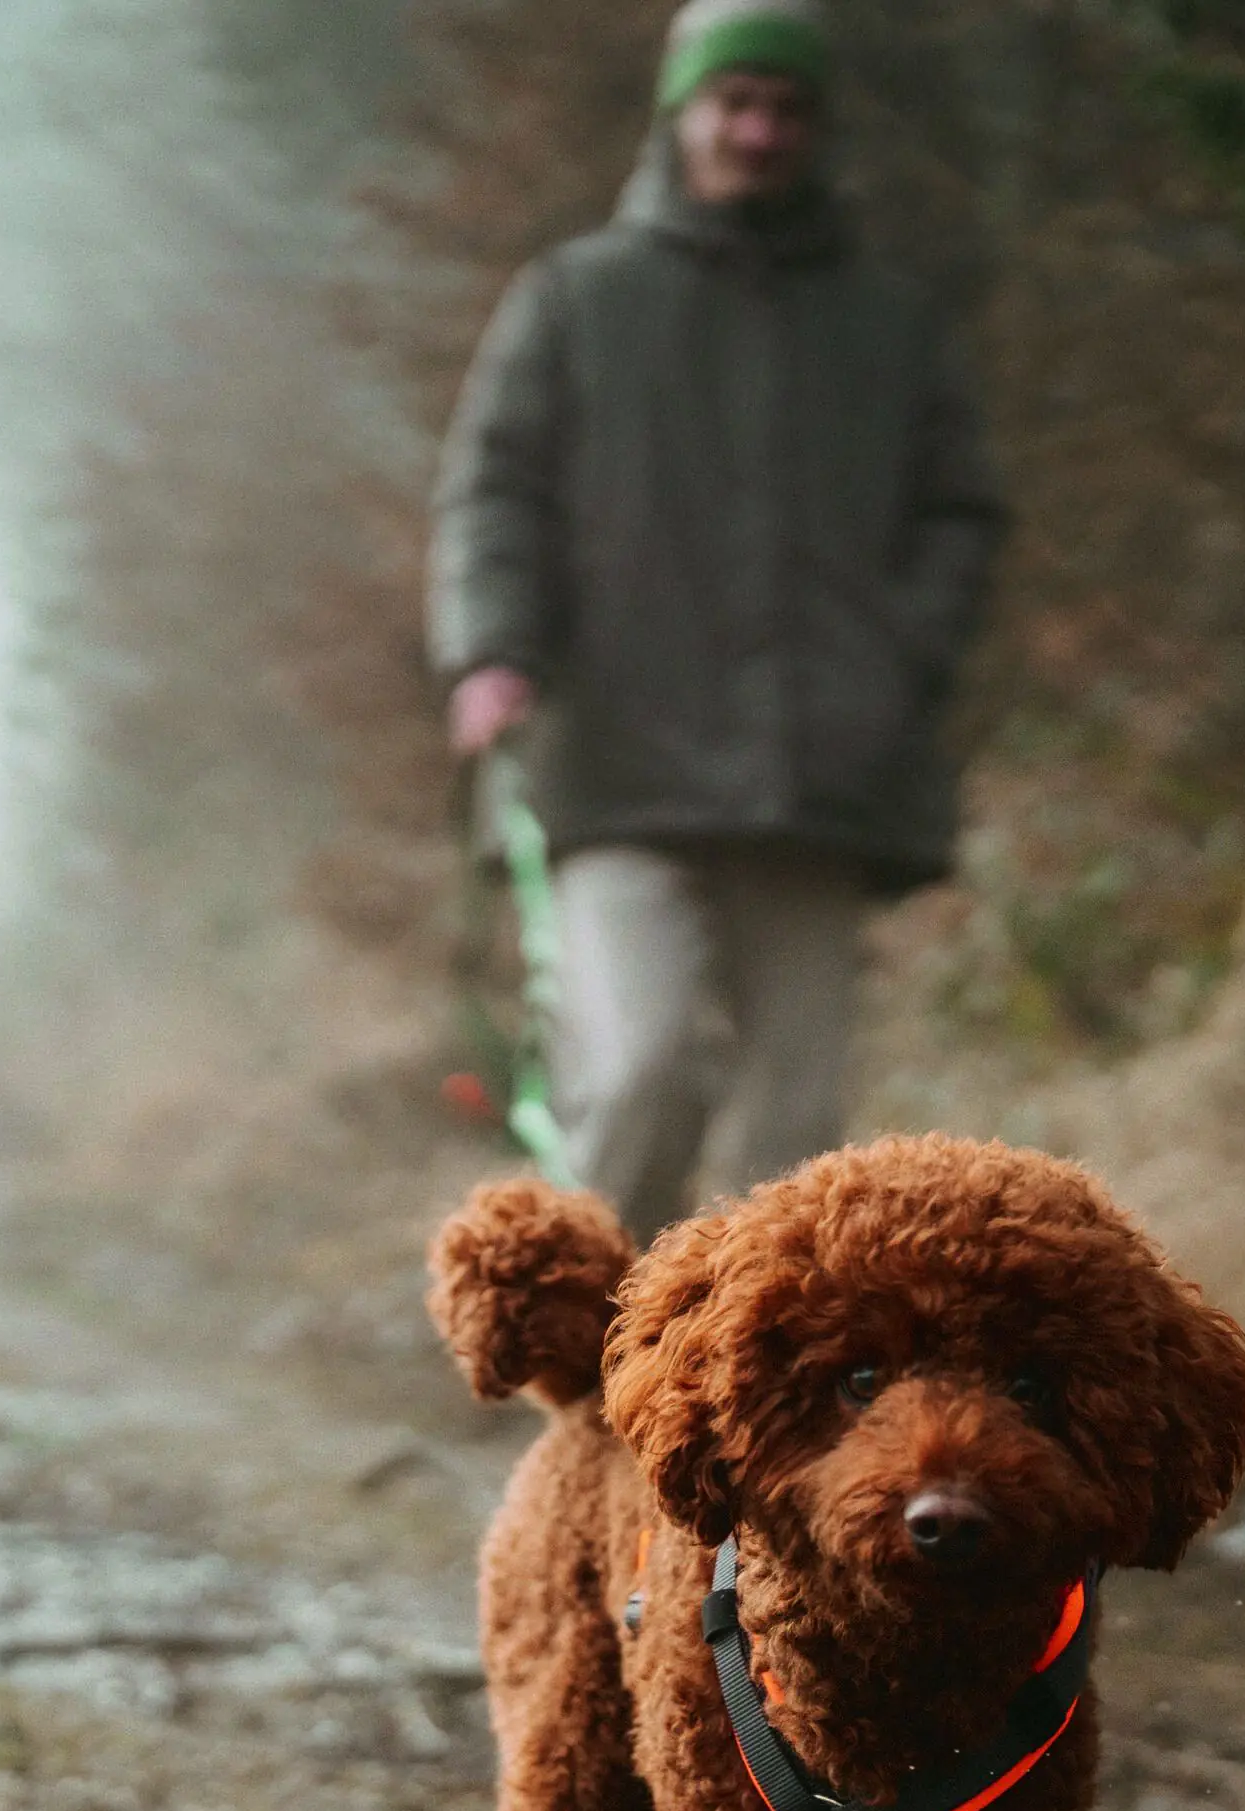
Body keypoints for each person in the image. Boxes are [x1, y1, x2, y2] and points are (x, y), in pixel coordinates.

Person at [429, 0, 1009, 1244]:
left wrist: (898, 659)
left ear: (817, 130)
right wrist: (492, 650)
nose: (760, 131)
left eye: (788, 109)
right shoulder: (577, 299)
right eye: (736, 103)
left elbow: (962, 511)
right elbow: (495, 493)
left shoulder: (889, 324)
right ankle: (593, 1389)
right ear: (681, 115)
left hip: (822, 779)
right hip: (614, 766)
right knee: (636, 1072)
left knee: (795, 1132)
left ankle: (748, 1416)